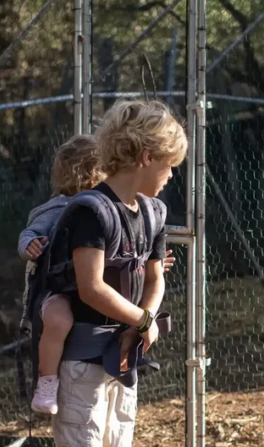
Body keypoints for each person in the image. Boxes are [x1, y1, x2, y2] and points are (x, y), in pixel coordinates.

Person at [41, 99, 186, 447]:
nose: (171, 176)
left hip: (121, 355)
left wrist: (147, 315)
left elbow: (155, 275)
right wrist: (142, 320)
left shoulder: (153, 211)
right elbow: (90, 287)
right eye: (169, 165)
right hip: (84, 354)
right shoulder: (90, 211)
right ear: (145, 156)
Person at [19, 135, 175, 416]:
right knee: (58, 319)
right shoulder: (62, 208)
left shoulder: (117, 210)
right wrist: (28, 245)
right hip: (60, 291)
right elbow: (30, 233)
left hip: (99, 313)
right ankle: (46, 380)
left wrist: (143, 266)